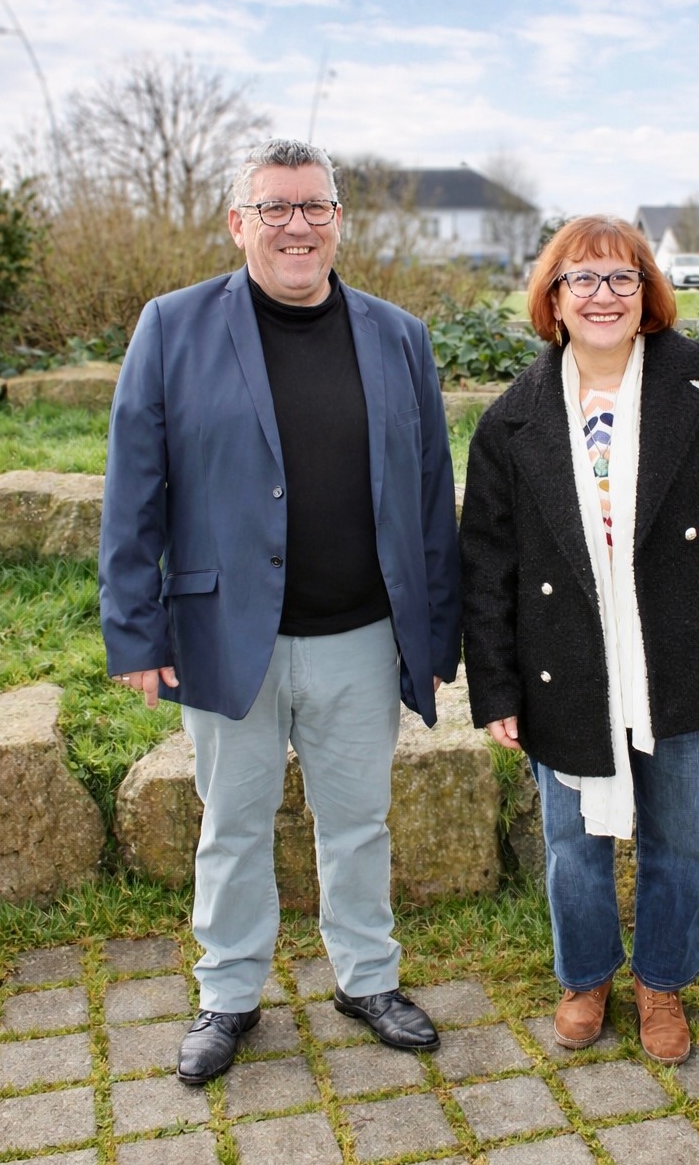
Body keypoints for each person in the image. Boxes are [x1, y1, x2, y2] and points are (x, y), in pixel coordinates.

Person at [99, 138, 461, 1083]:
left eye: (314, 207)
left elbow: (431, 494)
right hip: (227, 637)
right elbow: (133, 491)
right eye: (275, 208)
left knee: (359, 822)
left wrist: (436, 632)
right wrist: (135, 632)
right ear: (239, 222)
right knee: (231, 825)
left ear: (339, 220)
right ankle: (227, 993)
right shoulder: (172, 326)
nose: (297, 225)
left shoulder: (399, 336)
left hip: (362, 637)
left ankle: (367, 979)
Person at [459, 216, 699, 1064]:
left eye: (621, 277)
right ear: (554, 297)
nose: (602, 295)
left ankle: (662, 985)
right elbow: (488, 565)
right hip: (563, 660)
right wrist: (495, 687)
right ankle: (585, 979)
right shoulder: (512, 420)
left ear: (647, 292)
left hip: (682, 651)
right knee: (573, 844)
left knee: (681, 838)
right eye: (582, 278)